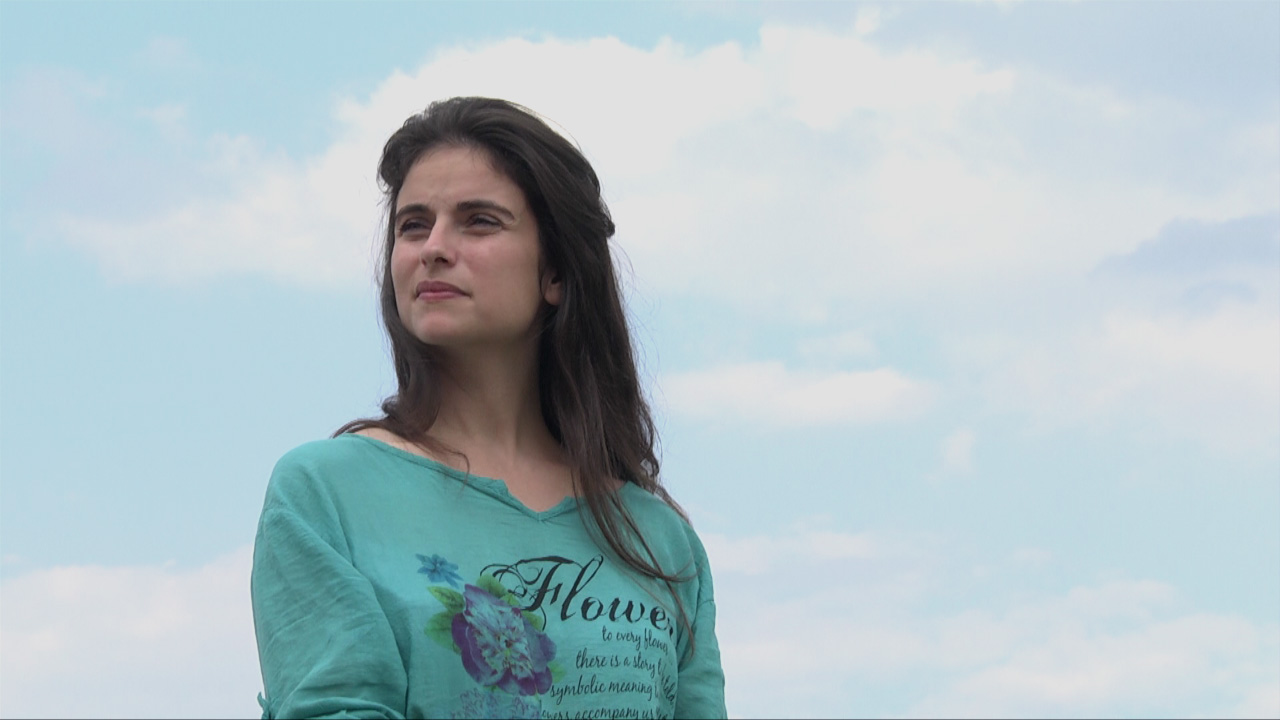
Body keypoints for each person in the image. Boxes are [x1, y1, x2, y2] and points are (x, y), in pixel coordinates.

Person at [250, 96, 726, 719]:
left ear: (556, 272)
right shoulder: (325, 494)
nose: (434, 247)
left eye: (478, 221)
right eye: (413, 225)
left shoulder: (659, 542)